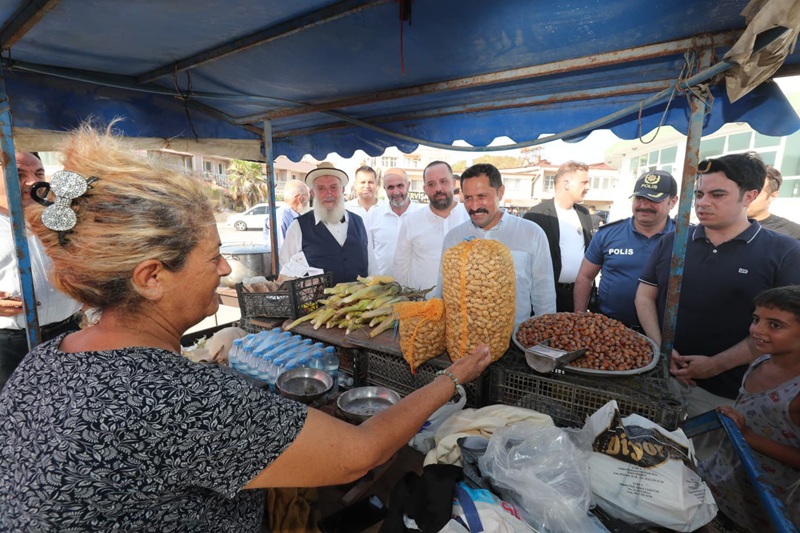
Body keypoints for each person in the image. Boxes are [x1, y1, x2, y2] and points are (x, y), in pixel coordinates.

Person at [0, 123, 493, 531]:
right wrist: (453, 377)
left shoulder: (42, 361)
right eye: (212, 257)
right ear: (151, 277)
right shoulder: (177, 396)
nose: (222, 270)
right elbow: (358, 453)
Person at [635, 153, 800, 419]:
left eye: (717, 195)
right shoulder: (673, 242)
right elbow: (645, 295)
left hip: (730, 395)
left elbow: (783, 327)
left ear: (749, 196)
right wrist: (661, 346)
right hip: (661, 379)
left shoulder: (784, 252)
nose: (703, 203)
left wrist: (715, 365)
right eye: (699, 194)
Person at [697, 286, 800, 531]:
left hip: (760, 506)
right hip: (719, 479)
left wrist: (748, 437)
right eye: (756, 320)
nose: (758, 330)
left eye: (775, 325)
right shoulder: (761, 361)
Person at [0, 152, 81, 391]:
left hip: (68, 333)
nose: (33, 183)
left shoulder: (59, 217)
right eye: (19, 174)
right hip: (10, 345)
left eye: (38, 173)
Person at [437, 163, 556, 325]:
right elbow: (442, 292)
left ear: (500, 192)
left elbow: (544, 295)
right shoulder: (453, 239)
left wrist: (544, 338)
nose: (474, 206)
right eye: (468, 198)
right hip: (464, 342)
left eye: (482, 196)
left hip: (515, 341)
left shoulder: (532, 233)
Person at [573, 170, 678, 329]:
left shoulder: (683, 240)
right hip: (610, 329)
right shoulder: (608, 234)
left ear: (673, 201)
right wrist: (579, 320)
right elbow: (585, 277)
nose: (644, 205)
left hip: (663, 332)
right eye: (639, 198)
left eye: (652, 200)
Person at [280, 162, 368, 284]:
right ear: (313, 193)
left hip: (361, 301)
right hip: (318, 302)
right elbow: (287, 269)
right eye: (321, 189)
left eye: (333, 187)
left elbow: (371, 263)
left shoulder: (359, 222)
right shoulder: (298, 226)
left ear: (342, 190)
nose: (328, 194)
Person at [524, 161, 593, 312]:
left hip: (576, 297)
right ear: (566, 184)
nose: (587, 187)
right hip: (546, 296)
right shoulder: (536, 215)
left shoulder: (584, 214)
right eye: (584, 182)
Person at [393, 161, 469, 292]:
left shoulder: (470, 217)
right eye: (431, 184)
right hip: (422, 305)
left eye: (443, 181)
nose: (438, 188)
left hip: (465, 305)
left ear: (454, 184)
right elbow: (401, 266)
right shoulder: (411, 221)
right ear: (425, 189)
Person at [365, 167, 421, 276]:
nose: (396, 192)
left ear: (408, 185)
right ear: (384, 188)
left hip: (416, 288)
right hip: (382, 288)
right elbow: (368, 253)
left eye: (400, 186)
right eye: (391, 187)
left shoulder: (422, 215)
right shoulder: (374, 216)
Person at [746, 165, 800, 239]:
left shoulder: (793, 233)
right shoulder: (726, 226)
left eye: (754, 194)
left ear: (772, 196)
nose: (744, 198)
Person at [263, 179, 309, 251]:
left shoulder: (294, 216)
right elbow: (281, 251)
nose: (309, 199)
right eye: (307, 195)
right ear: (299, 198)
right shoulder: (281, 218)